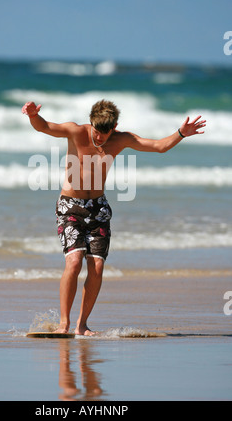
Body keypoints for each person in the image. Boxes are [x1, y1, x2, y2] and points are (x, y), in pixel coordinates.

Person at [22, 99, 206, 335]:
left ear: (114, 127)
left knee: (97, 267)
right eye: (97, 132)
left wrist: (181, 133)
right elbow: (45, 127)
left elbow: (158, 146)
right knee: (75, 261)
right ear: (91, 124)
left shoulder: (121, 139)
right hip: (70, 207)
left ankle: (82, 325)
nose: (99, 138)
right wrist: (32, 116)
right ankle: (63, 325)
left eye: (105, 134)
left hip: (98, 208)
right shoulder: (76, 131)